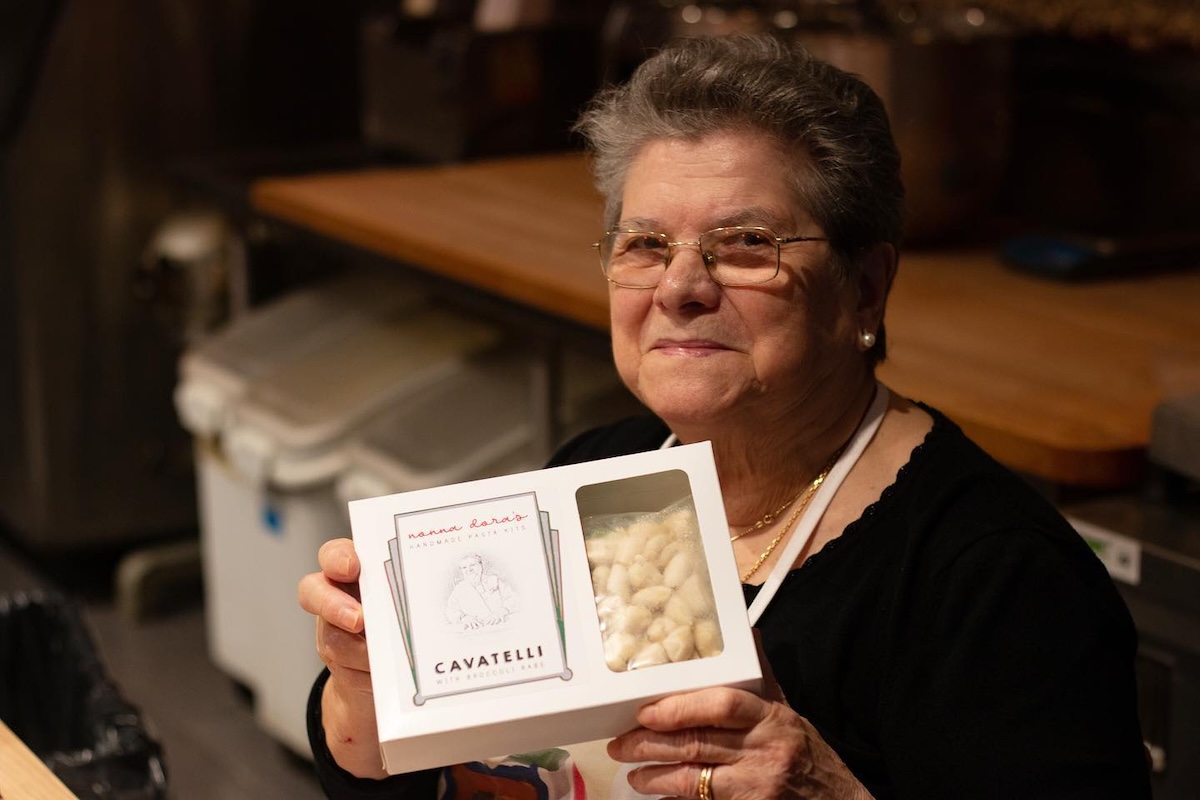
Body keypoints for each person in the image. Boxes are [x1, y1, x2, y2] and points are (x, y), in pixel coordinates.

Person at [297, 33, 1151, 799]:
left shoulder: (997, 580)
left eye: (747, 244)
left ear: (865, 287)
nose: (679, 287)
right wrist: (366, 702)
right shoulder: (599, 478)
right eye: (644, 246)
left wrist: (828, 794)